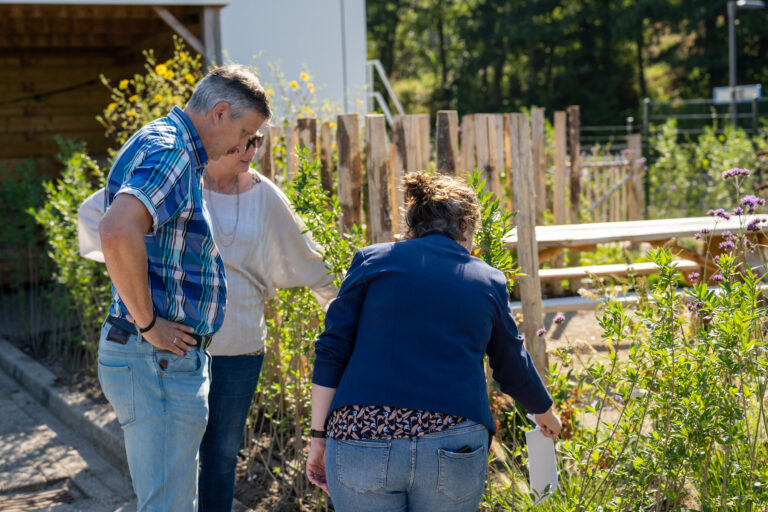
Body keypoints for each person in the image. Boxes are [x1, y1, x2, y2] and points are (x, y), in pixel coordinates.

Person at [79, 128, 335, 512]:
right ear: (219, 137)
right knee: (176, 462)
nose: (250, 150)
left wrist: (349, 307)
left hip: (241, 348)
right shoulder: (177, 178)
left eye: (257, 141)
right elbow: (102, 216)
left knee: (221, 458)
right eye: (243, 140)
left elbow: (309, 257)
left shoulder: (264, 194)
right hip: (176, 347)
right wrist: (136, 285)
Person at [306, 171, 561, 512]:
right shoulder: (487, 279)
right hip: (453, 442)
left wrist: (319, 437)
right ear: (466, 226)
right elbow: (511, 364)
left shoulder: (371, 261)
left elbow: (331, 351)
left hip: (362, 437)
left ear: (413, 225)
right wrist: (545, 412)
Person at [95, 64, 270, 511]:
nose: (245, 148)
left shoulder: (160, 139)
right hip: (156, 360)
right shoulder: (173, 151)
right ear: (220, 112)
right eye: (246, 134)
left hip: (157, 361)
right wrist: (149, 323)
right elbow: (116, 231)